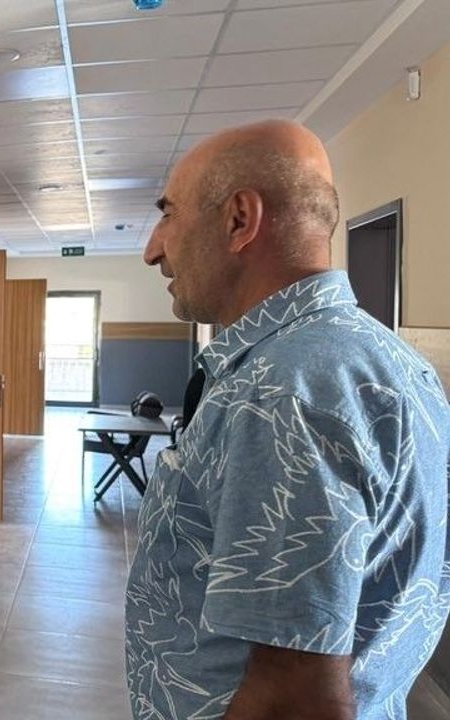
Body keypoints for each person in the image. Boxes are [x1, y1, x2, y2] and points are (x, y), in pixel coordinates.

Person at [126, 119, 450, 720]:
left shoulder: (282, 394)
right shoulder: (391, 361)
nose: (153, 249)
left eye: (168, 215)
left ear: (240, 220)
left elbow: (295, 698)